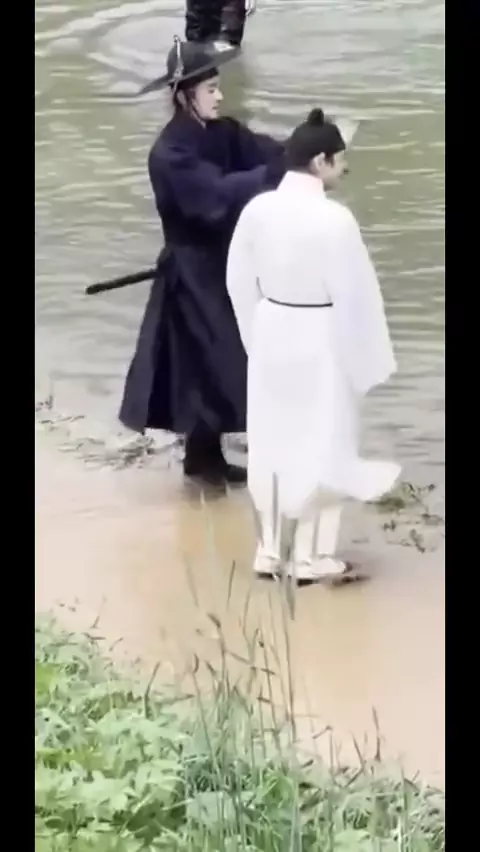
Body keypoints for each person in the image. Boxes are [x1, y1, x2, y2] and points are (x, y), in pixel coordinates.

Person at [226, 108, 401, 582]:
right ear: (320, 161)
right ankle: (309, 556)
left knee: (272, 439)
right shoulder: (335, 219)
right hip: (320, 334)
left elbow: (238, 279)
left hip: (272, 327)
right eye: (340, 160)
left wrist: (255, 335)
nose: (344, 168)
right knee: (324, 439)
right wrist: (365, 358)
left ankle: (268, 549)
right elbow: (357, 294)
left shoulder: (258, 209)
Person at [119, 38, 287, 486]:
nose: (219, 95)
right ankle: (206, 459)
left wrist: (302, 150)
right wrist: (271, 175)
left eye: (217, 86)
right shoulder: (169, 154)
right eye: (210, 89)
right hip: (192, 272)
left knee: (209, 364)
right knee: (212, 360)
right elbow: (217, 195)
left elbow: (266, 152)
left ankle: (204, 458)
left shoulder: (223, 132)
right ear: (183, 95)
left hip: (225, 263)